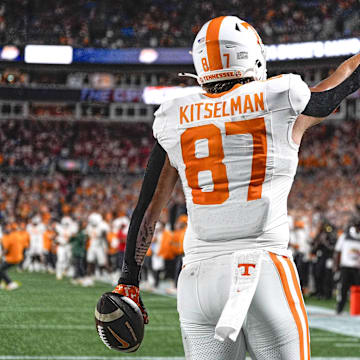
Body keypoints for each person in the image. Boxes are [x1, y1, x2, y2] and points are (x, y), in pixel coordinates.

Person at [98, 16, 360, 359]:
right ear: (251, 55)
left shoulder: (175, 116)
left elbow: (148, 210)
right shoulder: (279, 96)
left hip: (196, 282)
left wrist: (129, 279)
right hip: (262, 268)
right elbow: (336, 88)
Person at [333, 217, 360, 314]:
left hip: (356, 268)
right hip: (345, 266)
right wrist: (336, 265)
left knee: (357, 289)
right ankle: (340, 308)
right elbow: (337, 251)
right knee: (343, 288)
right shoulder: (345, 236)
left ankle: (356, 308)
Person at [0, 223, 29, 290]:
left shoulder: (7, 238)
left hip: (12, 258)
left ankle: (10, 283)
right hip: (19, 256)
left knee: (1, 269)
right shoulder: (16, 235)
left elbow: (6, 251)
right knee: (2, 269)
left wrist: (1, 255)